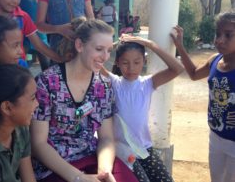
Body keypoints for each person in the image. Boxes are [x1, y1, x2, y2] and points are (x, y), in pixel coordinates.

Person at [30, 18, 139, 182]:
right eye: (99, 49)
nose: (105, 57)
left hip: (91, 157)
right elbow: (38, 144)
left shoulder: (103, 87)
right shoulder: (47, 83)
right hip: (54, 166)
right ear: (79, 45)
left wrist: (104, 171)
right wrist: (78, 178)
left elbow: (106, 138)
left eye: (109, 50)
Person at [102, 34, 183, 182]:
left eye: (137, 62)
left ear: (144, 61)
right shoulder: (114, 82)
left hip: (144, 148)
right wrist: (112, 45)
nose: (131, 68)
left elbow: (177, 68)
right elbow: (93, 60)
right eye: (125, 63)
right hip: (122, 150)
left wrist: (150, 44)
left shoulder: (147, 84)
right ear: (118, 63)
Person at [171, 12, 235, 182]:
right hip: (215, 137)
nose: (219, 40)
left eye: (228, 35)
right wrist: (180, 46)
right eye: (218, 33)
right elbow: (192, 74)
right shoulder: (215, 60)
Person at [20, 0, 50, 71]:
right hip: (39, 30)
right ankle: (47, 82)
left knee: (24, 59)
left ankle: (25, 79)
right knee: (45, 62)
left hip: (24, 30)